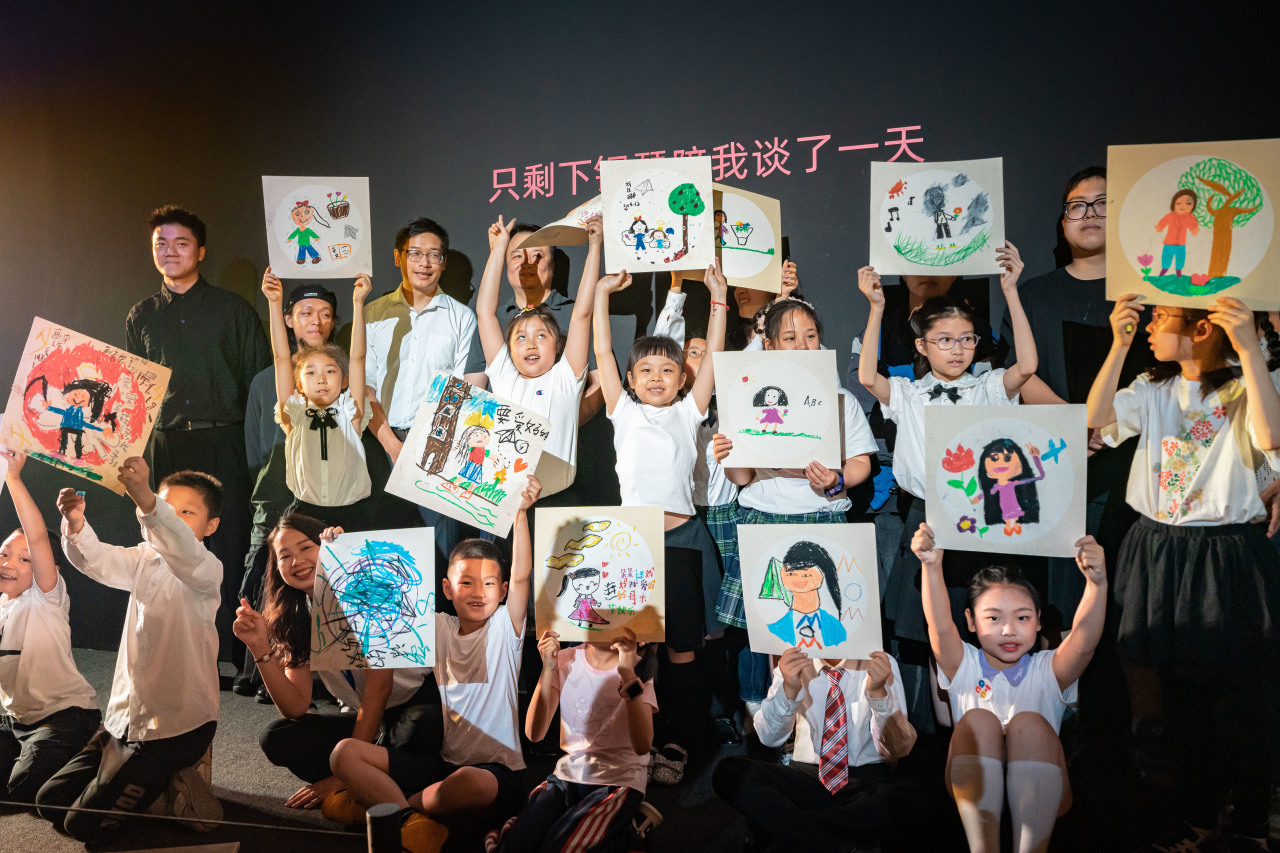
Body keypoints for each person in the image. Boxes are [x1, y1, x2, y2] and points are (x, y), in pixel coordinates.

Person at [1087, 293, 1280, 850]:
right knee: (1177, 695)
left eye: (1163, 316)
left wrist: (1249, 348)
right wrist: (1118, 344)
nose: (1150, 323)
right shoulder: (1153, 387)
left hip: (1225, 552)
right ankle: (1197, 813)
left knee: (1238, 694)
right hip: (1157, 547)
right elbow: (1097, 423)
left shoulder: (1251, 384)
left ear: (1201, 329)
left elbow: (1272, 439)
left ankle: (1249, 818)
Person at [856, 246, 1036, 730]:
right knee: (933, 630)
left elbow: (1027, 366)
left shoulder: (988, 386)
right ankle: (944, 735)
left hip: (982, 515)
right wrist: (876, 307)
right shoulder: (909, 394)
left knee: (979, 623)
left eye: (966, 339)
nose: (957, 349)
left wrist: (1011, 292)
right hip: (927, 515)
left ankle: (985, 725)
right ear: (922, 345)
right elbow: (867, 376)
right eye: (944, 340)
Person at [323, 477, 542, 852]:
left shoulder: (507, 628)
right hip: (440, 765)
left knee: (470, 782)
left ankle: (393, 809)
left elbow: (522, 574)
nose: (478, 592)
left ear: (503, 591)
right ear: (446, 589)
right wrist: (340, 549)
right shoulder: (437, 626)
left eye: (489, 584)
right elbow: (381, 595)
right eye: (466, 583)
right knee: (344, 753)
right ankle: (410, 819)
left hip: (497, 774)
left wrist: (520, 513)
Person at [594, 261, 729, 784]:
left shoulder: (689, 411)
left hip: (683, 540)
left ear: (682, 380)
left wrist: (717, 296)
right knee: (629, 645)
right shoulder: (622, 410)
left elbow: (713, 355)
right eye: (645, 370)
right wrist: (602, 295)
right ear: (630, 380)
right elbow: (601, 351)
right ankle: (631, 741)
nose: (656, 377)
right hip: (633, 545)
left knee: (682, 652)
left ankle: (678, 740)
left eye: (667, 370)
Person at [38, 459, 223, 841]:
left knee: (82, 826)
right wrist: (75, 522)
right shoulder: (144, 558)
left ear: (211, 526)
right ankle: (160, 789)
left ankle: (173, 777)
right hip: (126, 720)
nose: (173, 517)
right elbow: (97, 561)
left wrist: (147, 499)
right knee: (50, 800)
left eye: (186, 512)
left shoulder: (207, 570)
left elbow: (179, 545)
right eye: (168, 507)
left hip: (176, 727)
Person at [125, 205, 270, 664]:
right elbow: (135, 392)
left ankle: (239, 654)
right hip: (168, 442)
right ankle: (173, 650)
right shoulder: (141, 315)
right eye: (161, 244)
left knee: (231, 544)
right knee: (167, 545)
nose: (170, 251)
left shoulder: (233, 310)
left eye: (181, 243)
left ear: (201, 251)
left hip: (224, 440)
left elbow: (258, 383)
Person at [911, 523, 1107, 853]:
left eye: (1022, 618)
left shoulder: (1048, 670)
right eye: (993, 618)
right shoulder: (964, 664)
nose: (1008, 630)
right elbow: (939, 625)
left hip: (1042, 800)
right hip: (970, 795)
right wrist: (931, 566)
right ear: (970, 621)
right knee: (979, 721)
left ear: (1038, 621)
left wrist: (1096, 584)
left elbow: (1085, 643)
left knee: (1028, 724)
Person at [231, 514, 440, 812]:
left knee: (420, 728)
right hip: (370, 721)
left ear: (328, 547)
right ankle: (382, 785)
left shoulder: (367, 591)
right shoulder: (296, 614)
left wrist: (343, 773)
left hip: (414, 704)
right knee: (277, 737)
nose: (297, 561)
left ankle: (367, 785)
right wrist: (260, 648)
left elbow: (380, 687)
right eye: (285, 556)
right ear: (276, 567)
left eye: (306, 547)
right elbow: (295, 706)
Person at [237, 280, 342, 697]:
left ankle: (316, 676)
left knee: (316, 576)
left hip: (323, 492)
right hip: (274, 488)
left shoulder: (339, 377)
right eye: (305, 313)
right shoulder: (266, 381)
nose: (315, 321)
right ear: (288, 319)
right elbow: (255, 446)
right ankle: (264, 670)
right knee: (263, 577)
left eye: (325, 314)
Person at [712, 647, 918, 852]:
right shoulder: (795, 661)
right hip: (809, 774)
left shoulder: (880, 662)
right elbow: (769, 738)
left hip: (865, 779)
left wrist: (878, 694)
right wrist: (789, 689)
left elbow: (898, 749)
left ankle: (793, 830)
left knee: (910, 796)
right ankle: (837, 844)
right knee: (731, 772)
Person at [486, 626, 657, 852]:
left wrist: (627, 674)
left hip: (619, 780)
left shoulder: (637, 667)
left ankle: (627, 830)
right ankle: (611, 826)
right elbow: (534, 734)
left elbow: (643, 745)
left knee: (560, 847)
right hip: (570, 773)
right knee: (514, 845)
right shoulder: (566, 659)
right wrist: (548, 670)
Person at [365, 218, 477, 545]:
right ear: (398, 257)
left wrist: (428, 447)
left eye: (434, 255)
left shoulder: (462, 318)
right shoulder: (373, 314)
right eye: (415, 253)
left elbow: (463, 391)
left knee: (442, 548)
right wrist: (392, 446)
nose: (424, 263)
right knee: (387, 550)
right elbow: (365, 388)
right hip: (380, 446)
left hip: (438, 452)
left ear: (444, 263)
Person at [723, 298, 877, 530]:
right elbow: (741, 477)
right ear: (769, 345)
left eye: (811, 336)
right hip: (763, 514)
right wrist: (728, 455)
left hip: (825, 513)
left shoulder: (841, 398)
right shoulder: (749, 401)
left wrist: (836, 479)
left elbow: (860, 461)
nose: (803, 346)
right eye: (790, 338)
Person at [0, 449, 100, 802]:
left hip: (65, 716)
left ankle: (104, 749)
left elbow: (39, 537)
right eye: (4, 553)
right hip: (17, 721)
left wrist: (12, 477)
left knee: (24, 789)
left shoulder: (46, 597)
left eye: (24, 559)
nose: (9, 563)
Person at [474, 215, 599, 496]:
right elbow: (485, 313)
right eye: (520, 337)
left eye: (541, 336)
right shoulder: (504, 376)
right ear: (509, 348)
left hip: (558, 496)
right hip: (504, 494)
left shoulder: (566, 379)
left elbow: (582, 314)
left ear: (558, 346)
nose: (530, 344)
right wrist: (498, 250)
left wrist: (595, 246)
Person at [264, 267, 375, 531]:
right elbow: (281, 358)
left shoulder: (351, 413)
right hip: (304, 511)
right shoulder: (295, 415)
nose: (322, 379)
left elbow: (358, 358)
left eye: (330, 371)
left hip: (352, 512)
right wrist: (274, 303)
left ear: (344, 380)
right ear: (299, 384)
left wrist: (358, 303)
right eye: (311, 373)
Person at [1155, 189, 1200, 277]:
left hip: (1181, 244)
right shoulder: (1171, 215)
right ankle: (1163, 272)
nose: (1183, 206)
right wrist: (1160, 227)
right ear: (1173, 204)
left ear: (1193, 206)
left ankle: (1178, 273)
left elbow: (1193, 227)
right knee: (1166, 259)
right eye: (1178, 203)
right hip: (1168, 243)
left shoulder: (1190, 217)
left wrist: (1194, 229)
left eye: (1188, 203)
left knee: (1180, 259)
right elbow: (1162, 222)